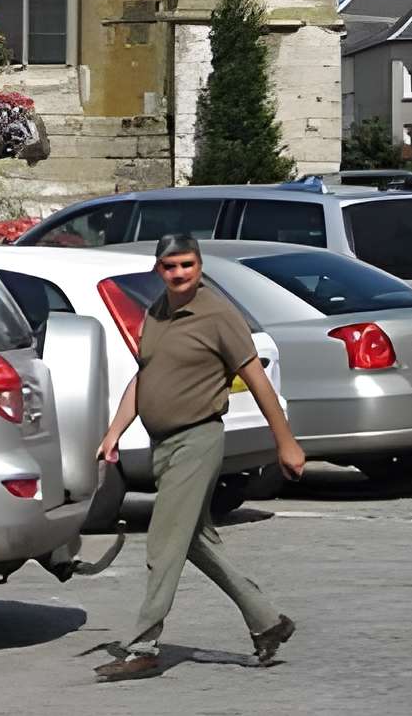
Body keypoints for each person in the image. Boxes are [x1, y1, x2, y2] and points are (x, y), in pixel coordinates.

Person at [94, 233, 304, 682]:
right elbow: (145, 377)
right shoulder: (156, 312)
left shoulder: (218, 314)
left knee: (163, 545)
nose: (179, 273)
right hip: (162, 444)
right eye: (170, 266)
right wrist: (115, 431)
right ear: (159, 270)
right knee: (192, 539)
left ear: (200, 264)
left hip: (198, 439)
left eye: (187, 264)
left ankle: (144, 647)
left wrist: (286, 441)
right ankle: (267, 621)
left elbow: (258, 380)